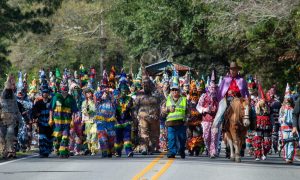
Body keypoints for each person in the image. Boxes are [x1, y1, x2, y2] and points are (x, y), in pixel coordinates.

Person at [161, 69, 189, 159]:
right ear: (171, 91)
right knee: (171, 139)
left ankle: (181, 151)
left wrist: (187, 120)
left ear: (179, 91)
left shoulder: (184, 99)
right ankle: (172, 152)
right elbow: (163, 111)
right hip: (170, 124)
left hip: (181, 123)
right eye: (173, 90)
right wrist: (168, 109)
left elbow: (188, 112)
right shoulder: (167, 99)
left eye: (176, 90)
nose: (174, 92)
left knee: (182, 139)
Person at [134, 63, 161, 155]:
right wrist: (136, 117)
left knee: (154, 133)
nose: (145, 85)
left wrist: (160, 114)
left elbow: (162, 103)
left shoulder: (156, 93)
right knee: (143, 132)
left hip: (154, 116)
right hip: (143, 117)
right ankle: (144, 147)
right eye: (144, 84)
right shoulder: (139, 94)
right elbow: (136, 106)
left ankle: (153, 147)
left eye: (147, 84)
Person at [49, 81, 78, 158]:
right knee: (57, 137)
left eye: (66, 88)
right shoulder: (56, 96)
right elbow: (51, 109)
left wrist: (73, 120)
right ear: (60, 88)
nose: (64, 90)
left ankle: (63, 152)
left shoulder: (71, 98)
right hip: (57, 121)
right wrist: (50, 119)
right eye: (63, 87)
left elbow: (74, 111)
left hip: (66, 121)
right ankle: (57, 148)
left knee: (65, 137)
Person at [197, 70, 219, 158]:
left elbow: (221, 108)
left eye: (214, 88)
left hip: (215, 120)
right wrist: (205, 109)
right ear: (208, 87)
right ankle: (209, 148)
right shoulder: (203, 96)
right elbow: (198, 107)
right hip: (205, 120)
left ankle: (213, 152)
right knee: (206, 137)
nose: (213, 89)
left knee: (214, 137)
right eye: (211, 87)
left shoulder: (218, 97)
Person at [0, 75, 22, 159]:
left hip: (11, 120)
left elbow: (17, 110)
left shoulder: (14, 98)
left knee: (10, 135)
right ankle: (3, 152)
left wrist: (20, 120)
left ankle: (10, 152)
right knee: (2, 136)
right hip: (2, 119)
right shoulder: (1, 97)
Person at [114, 73, 134, 157]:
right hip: (118, 121)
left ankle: (128, 151)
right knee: (118, 138)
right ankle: (117, 152)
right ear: (119, 91)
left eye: (125, 90)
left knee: (127, 137)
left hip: (127, 120)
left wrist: (134, 119)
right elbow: (112, 111)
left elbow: (133, 110)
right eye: (122, 90)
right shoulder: (115, 100)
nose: (123, 92)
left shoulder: (130, 99)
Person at [32, 82, 53, 158]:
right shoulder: (38, 102)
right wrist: (36, 115)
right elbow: (33, 111)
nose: (45, 94)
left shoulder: (52, 101)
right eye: (44, 93)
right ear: (42, 94)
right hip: (41, 122)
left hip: (50, 123)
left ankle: (47, 151)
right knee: (42, 137)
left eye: (46, 92)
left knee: (49, 138)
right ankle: (42, 152)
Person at [279, 83, 296, 163]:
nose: (288, 102)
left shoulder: (293, 109)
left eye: (289, 100)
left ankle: (290, 157)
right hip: (284, 128)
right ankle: (286, 157)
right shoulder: (282, 109)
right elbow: (279, 118)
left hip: (291, 128)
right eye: (287, 100)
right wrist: (282, 119)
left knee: (291, 143)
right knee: (286, 142)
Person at [82, 88, 97, 156]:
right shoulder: (84, 102)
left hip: (95, 120)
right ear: (85, 95)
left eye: (90, 93)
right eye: (87, 93)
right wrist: (84, 118)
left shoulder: (95, 101)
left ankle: (93, 150)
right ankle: (89, 149)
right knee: (88, 136)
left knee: (94, 135)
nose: (89, 94)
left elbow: (97, 109)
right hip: (87, 121)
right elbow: (83, 111)